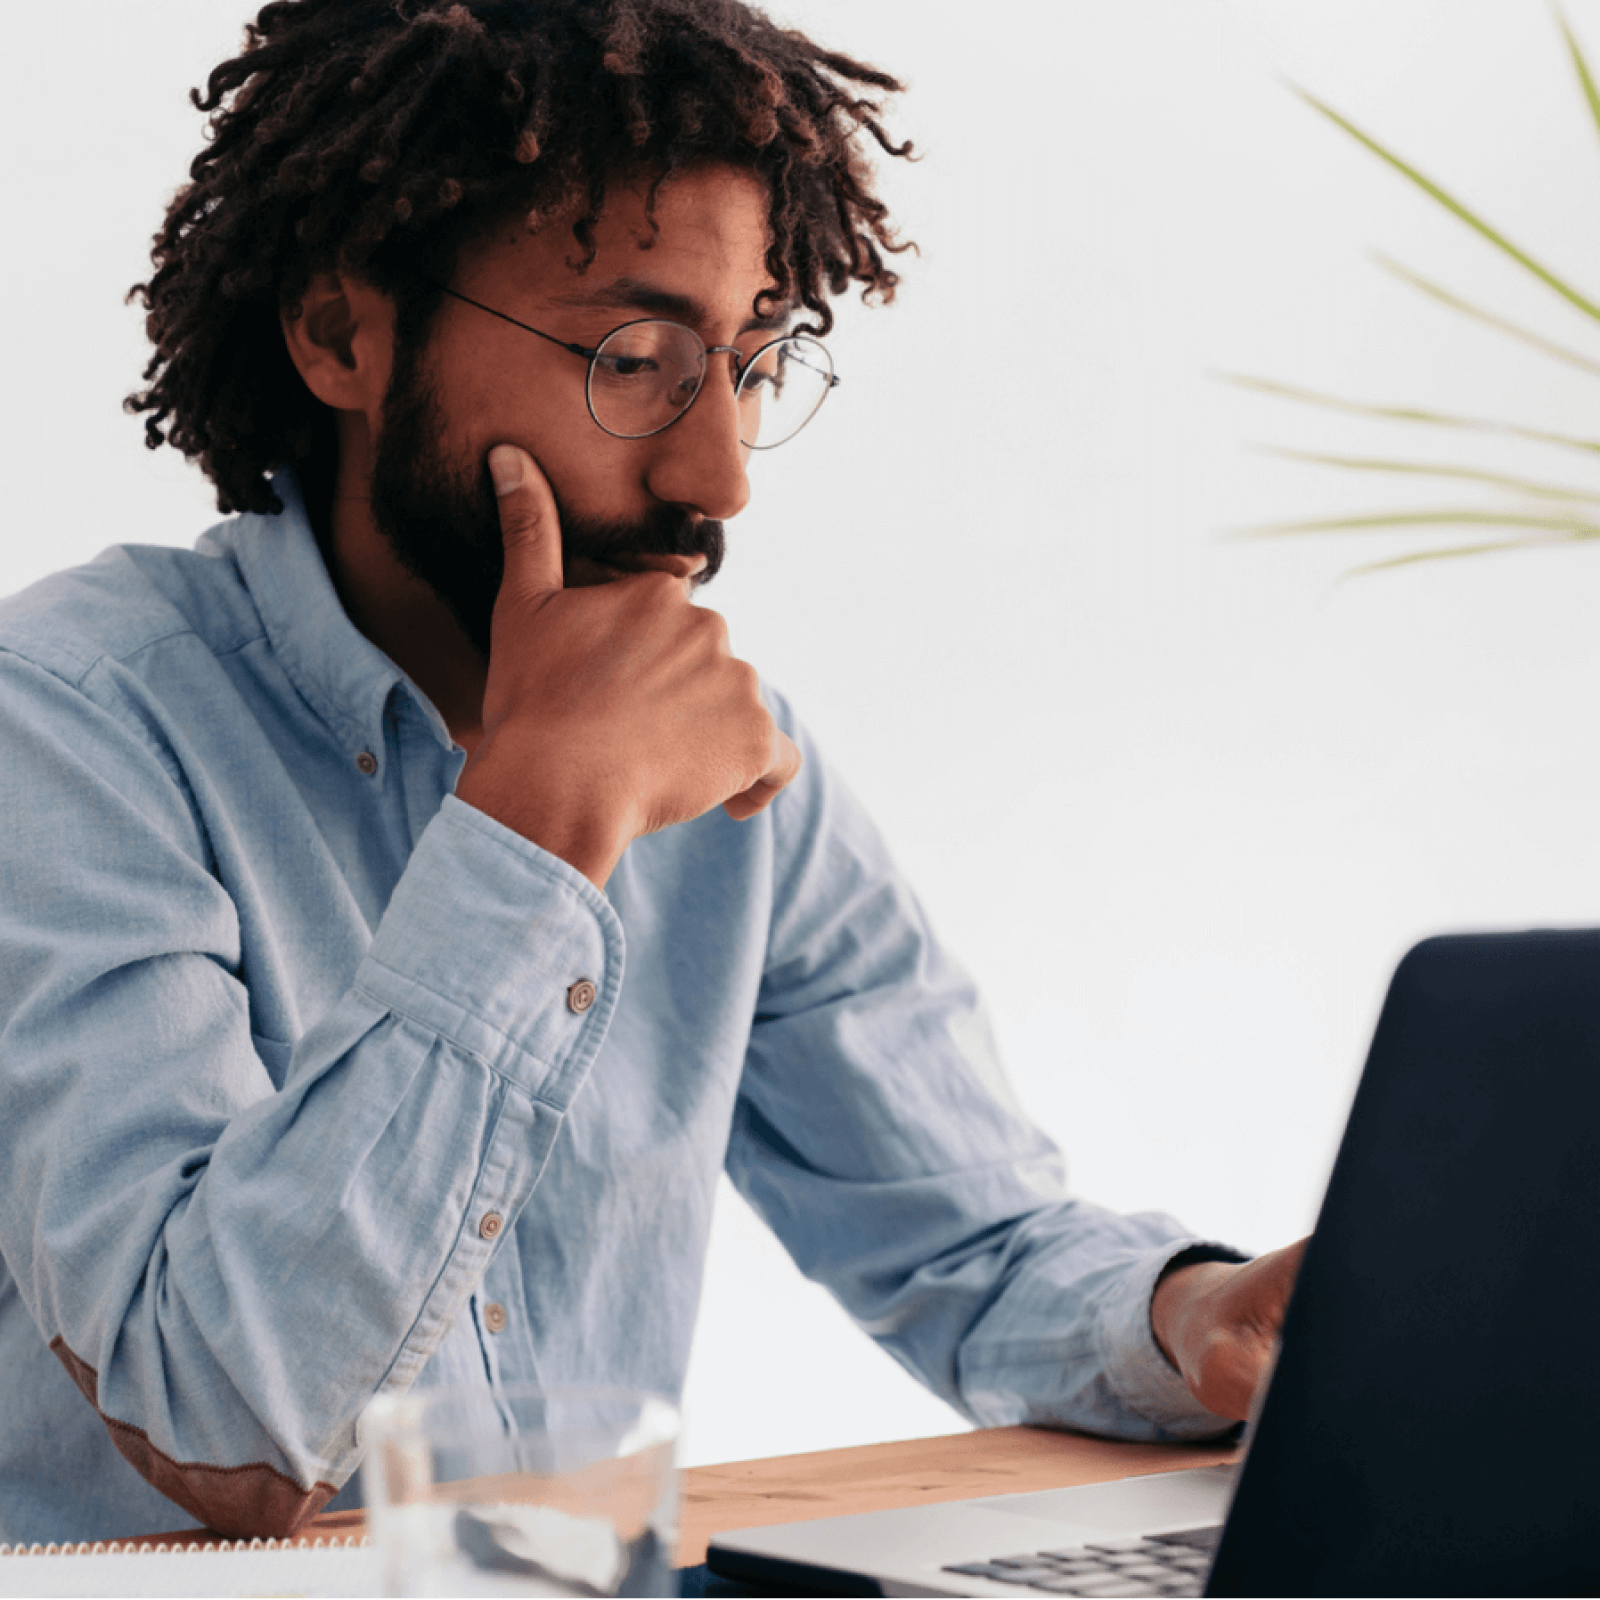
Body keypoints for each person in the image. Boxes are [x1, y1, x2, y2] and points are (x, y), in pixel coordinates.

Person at [0, 0, 1303, 1545]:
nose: (720, 473)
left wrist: (1192, 1315)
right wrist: (541, 826)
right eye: (635, 357)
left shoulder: (733, 770)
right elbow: (219, 1408)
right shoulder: (66, 725)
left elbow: (979, 1242)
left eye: (752, 359)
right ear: (343, 332)